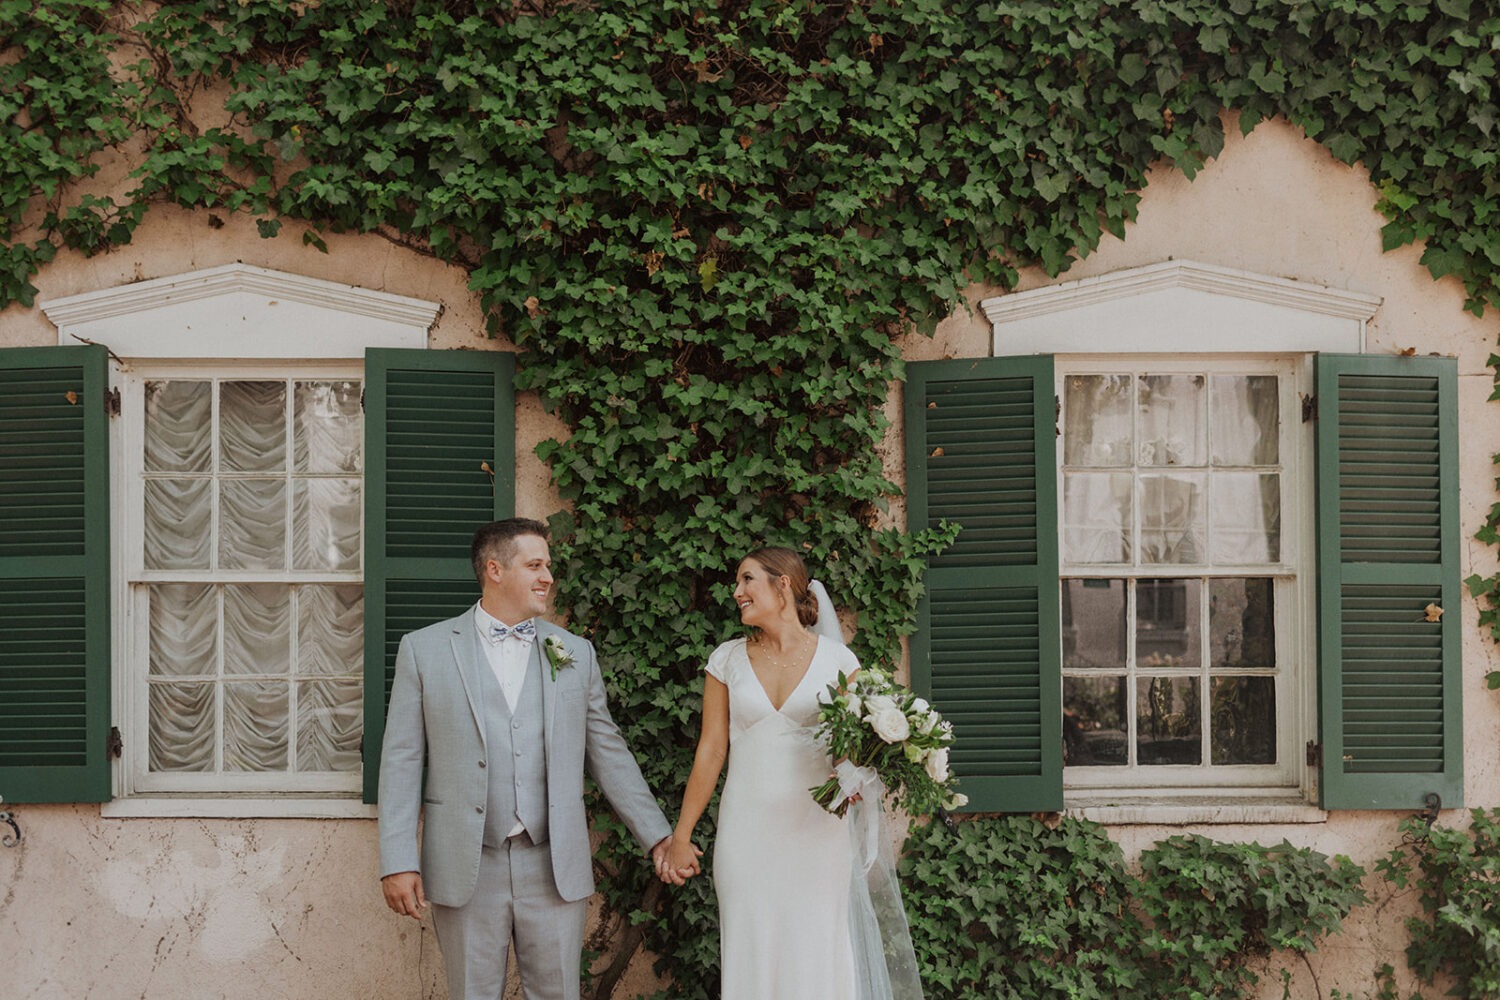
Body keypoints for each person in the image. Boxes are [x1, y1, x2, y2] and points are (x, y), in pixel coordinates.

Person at [378, 518, 679, 1000]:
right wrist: (397, 859)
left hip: (553, 863)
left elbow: (608, 752)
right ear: (494, 569)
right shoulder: (425, 650)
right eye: (535, 565)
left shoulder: (574, 653)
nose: (548, 577)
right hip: (466, 863)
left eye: (549, 566)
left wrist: (658, 836)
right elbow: (401, 760)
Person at [660, 546, 866, 999]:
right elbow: (711, 750)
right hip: (746, 834)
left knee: (816, 950)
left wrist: (852, 776)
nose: (736, 592)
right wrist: (681, 835)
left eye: (746, 579)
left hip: (817, 836)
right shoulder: (726, 660)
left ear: (783, 585)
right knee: (750, 950)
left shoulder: (839, 663)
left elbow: (848, 751)